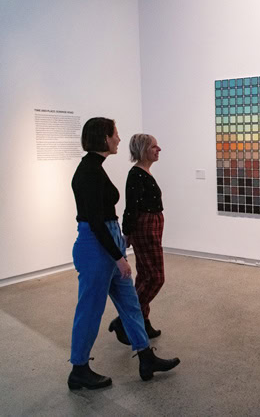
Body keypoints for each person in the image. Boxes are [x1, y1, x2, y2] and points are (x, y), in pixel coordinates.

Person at [68, 117, 180, 390]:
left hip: (108, 242)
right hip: (97, 248)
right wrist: (118, 258)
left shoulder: (96, 168)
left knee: (131, 305)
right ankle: (79, 369)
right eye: (115, 134)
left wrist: (118, 249)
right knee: (90, 310)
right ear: (104, 138)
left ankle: (145, 357)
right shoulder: (89, 173)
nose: (119, 139)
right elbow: (94, 222)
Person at [108, 134, 165, 344]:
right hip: (145, 228)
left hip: (151, 226)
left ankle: (142, 321)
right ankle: (125, 320)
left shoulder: (144, 172)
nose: (159, 149)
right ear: (142, 150)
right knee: (156, 277)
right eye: (153, 146)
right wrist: (128, 232)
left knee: (144, 277)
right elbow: (131, 207)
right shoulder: (136, 175)